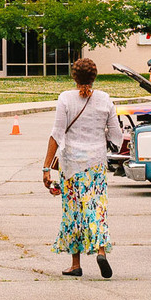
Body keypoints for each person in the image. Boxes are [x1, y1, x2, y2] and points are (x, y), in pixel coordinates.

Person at [43, 58, 126, 279]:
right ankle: (101, 251)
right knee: (97, 208)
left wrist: (46, 168)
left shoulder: (65, 99)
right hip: (96, 165)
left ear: (74, 77)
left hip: (71, 165)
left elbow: (56, 134)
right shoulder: (105, 99)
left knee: (73, 213)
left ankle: (75, 264)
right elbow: (116, 135)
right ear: (94, 77)